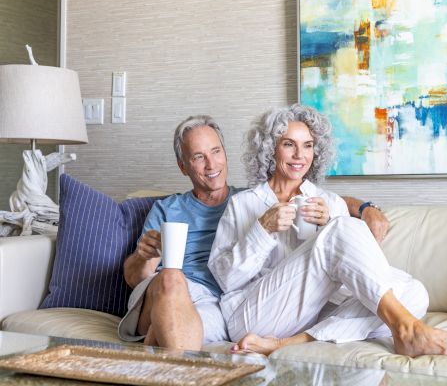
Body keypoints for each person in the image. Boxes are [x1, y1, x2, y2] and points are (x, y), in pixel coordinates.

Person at [208, 104, 447, 357]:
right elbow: (226, 281)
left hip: (310, 315)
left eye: (307, 146)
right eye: (288, 144)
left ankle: (292, 343)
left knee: (413, 291)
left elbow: (361, 273)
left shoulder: (329, 202)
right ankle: (408, 330)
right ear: (271, 149)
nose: (299, 155)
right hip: (253, 314)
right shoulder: (243, 203)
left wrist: (328, 224)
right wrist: (262, 230)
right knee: (342, 228)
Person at [117, 114, 391, 351]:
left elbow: (306, 193)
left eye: (216, 152)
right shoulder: (167, 207)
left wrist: (365, 208)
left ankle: (161, 343)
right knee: (171, 278)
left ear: (225, 154)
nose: (211, 165)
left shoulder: (247, 200)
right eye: (199, 157)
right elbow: (135, 277)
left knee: (185, 335)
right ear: (183, 165)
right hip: (172, 286)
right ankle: (164, 335)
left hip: (215, 303)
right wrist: (145, 255)